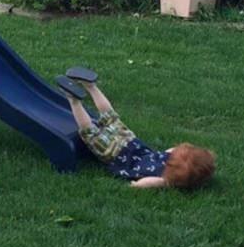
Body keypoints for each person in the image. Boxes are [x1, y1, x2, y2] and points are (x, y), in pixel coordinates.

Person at [56, 67, 215, 189]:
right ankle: (74, 101)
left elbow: (172, 150)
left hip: (129, 140)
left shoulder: (169, 157)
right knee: (90, 132)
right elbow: (144, 183)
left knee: (110, 116)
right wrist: (135, 185)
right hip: (113, 153)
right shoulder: (164, 179)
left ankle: (91, 86)